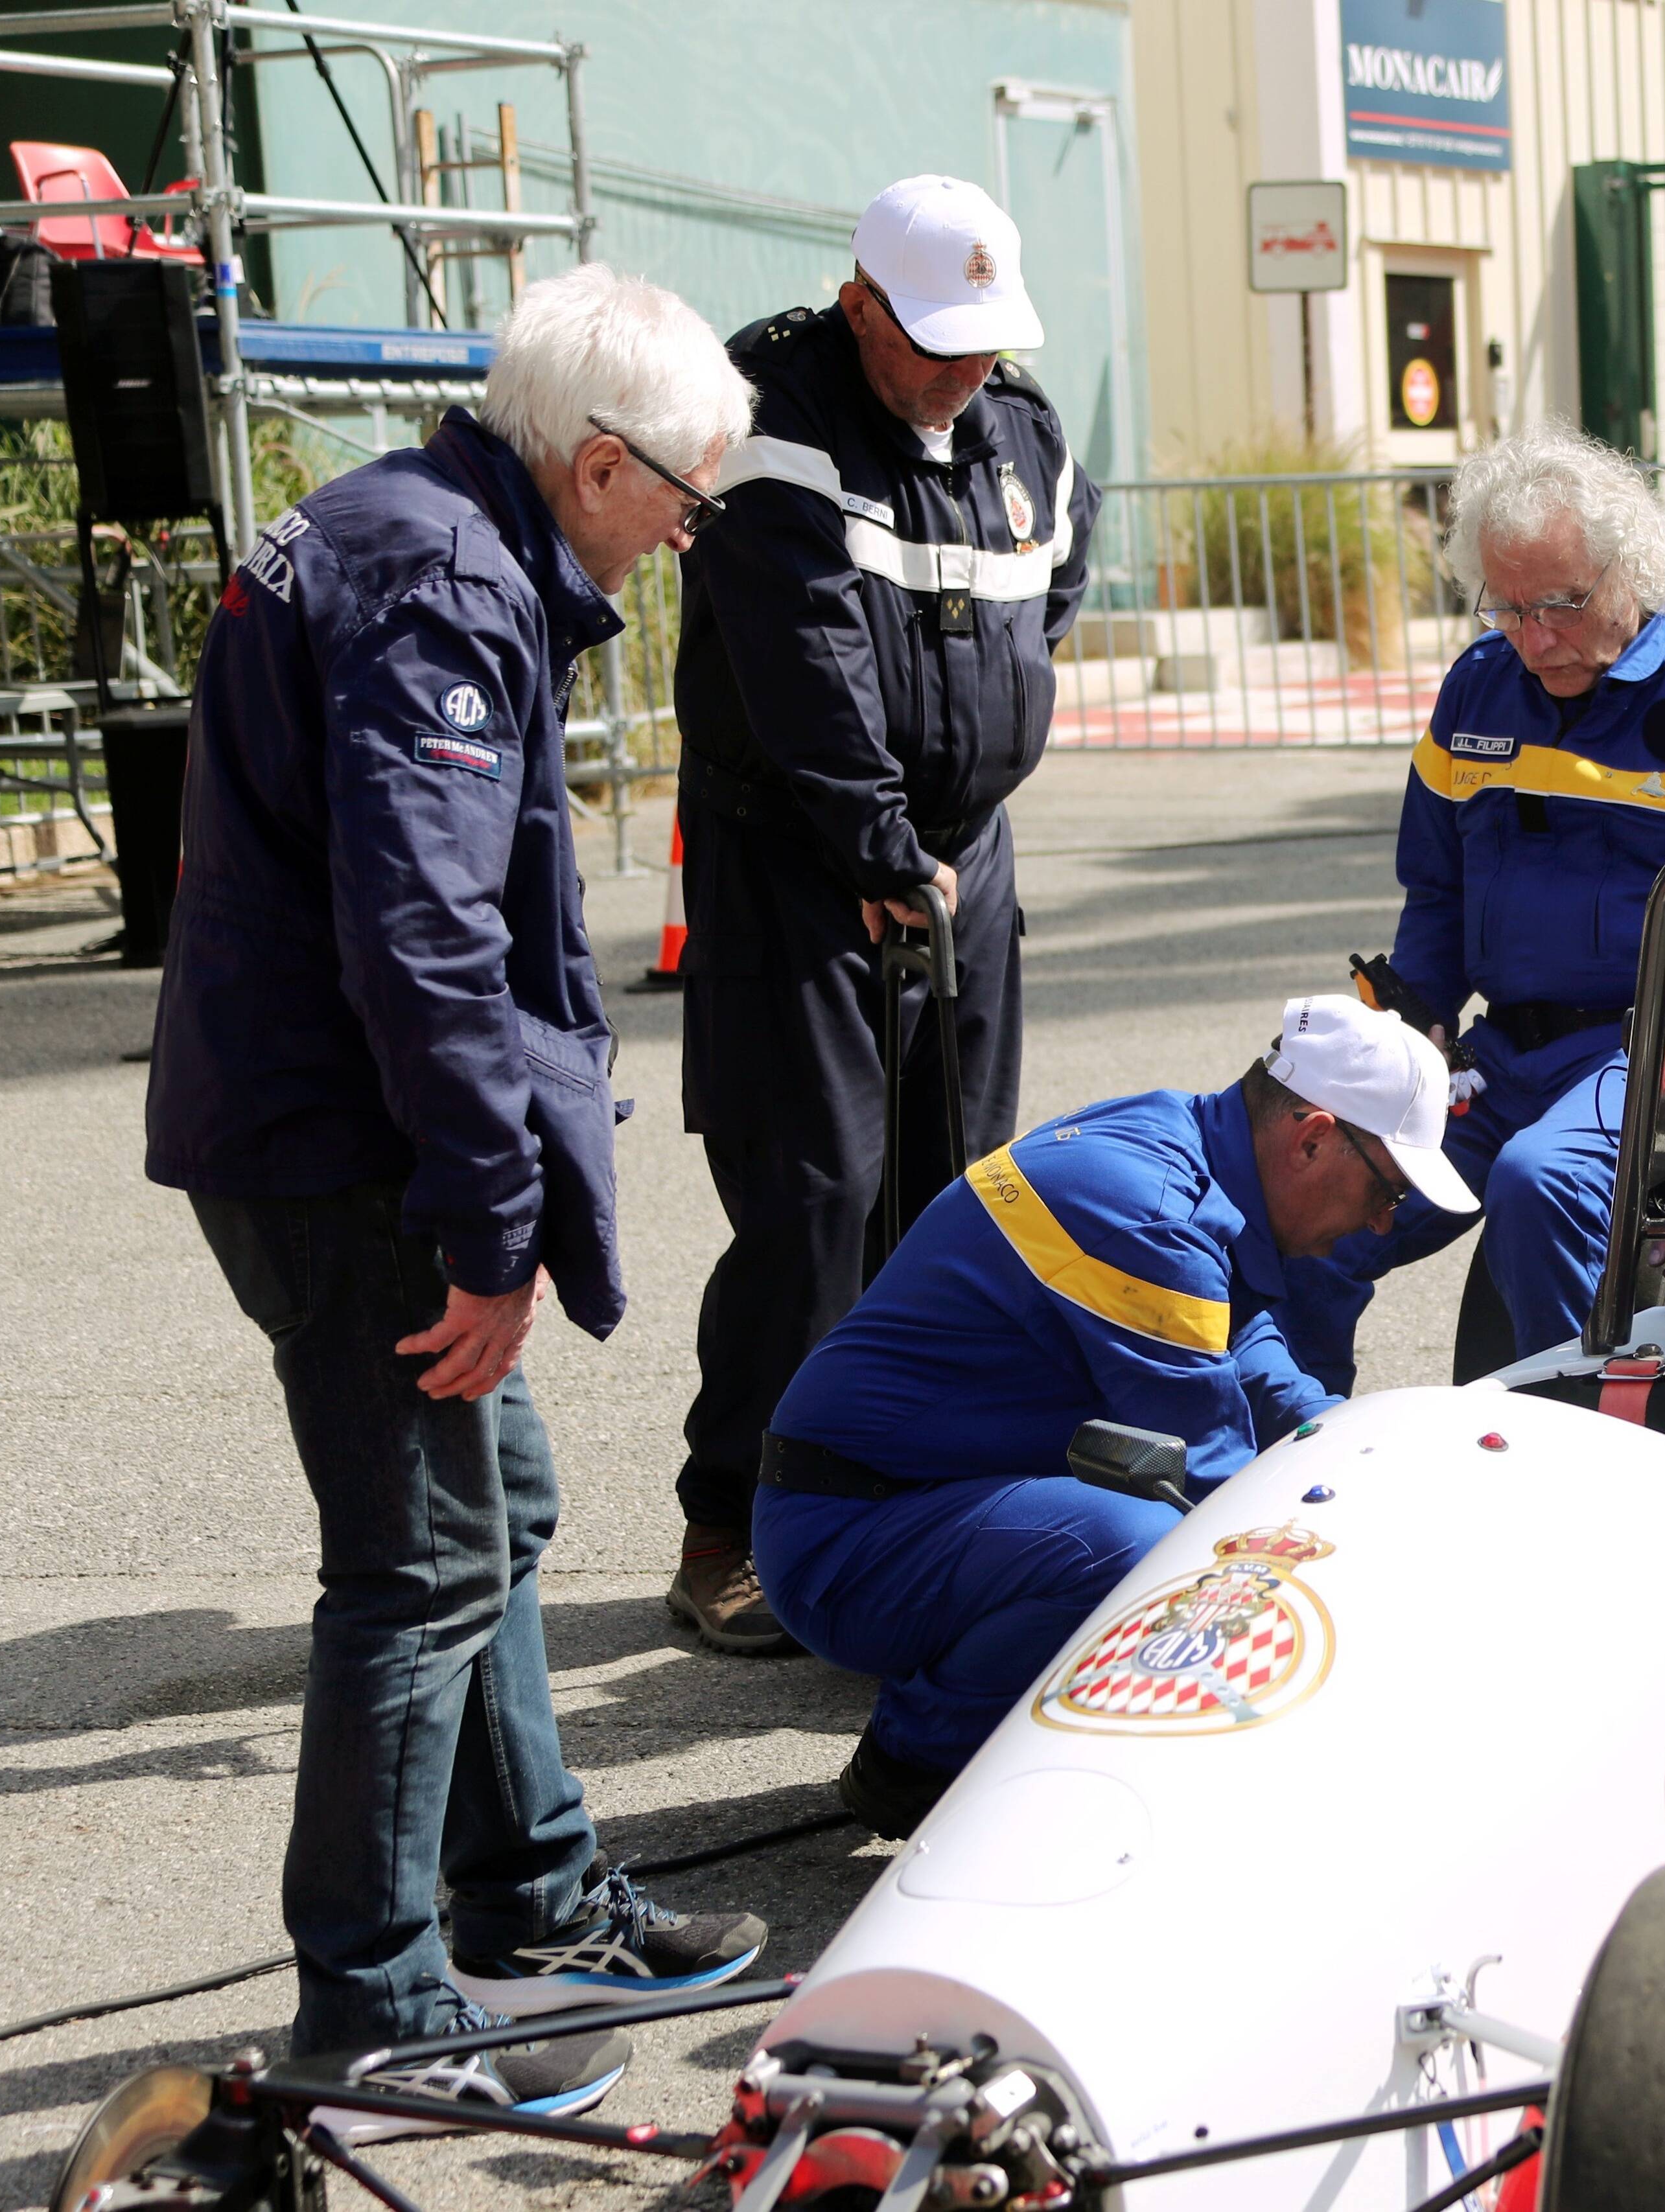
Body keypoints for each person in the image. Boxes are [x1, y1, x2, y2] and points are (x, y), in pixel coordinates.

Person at [145, 265, 767, 2122]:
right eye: (687, 497)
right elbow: (426, 947)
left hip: (327, 1127)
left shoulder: (407, 525)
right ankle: (374, 2007)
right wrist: (495, 1232)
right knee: (417, 1565)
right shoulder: (444, 581)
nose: (685, 537)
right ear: (600, 464)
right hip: (352, 1156)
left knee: (496, 1505)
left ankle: (531, 1893)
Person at [666, 174, 1101, 1656]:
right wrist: (876, 843)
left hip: (961, 861)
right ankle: (733, 1523)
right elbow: (801, 663)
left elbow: (1050, 594)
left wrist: (972, 763)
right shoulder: (771, 416)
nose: (967, 371)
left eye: (988, 342)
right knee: (812, 1203)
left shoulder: (1020, 427)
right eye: (936, 342)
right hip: (796, 857)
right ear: (858, 306)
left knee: (956, 1197)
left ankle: (902, 1500)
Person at [755, 995, 1476, 1837]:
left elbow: (1251, 1357)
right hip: (842, 1539)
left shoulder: (1181, 1139)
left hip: (912, 1497)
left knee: (1153, 1537)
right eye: (1388, 1190)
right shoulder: (1147, 1216)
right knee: (1144, 1548)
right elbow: (1222, 1493)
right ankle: (915, 1763)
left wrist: (1373, 1450)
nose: (1384, 1221)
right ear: (1313, 1137)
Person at [1279, 424, 1665, 1392]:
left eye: (1561, 605)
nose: (1535, 639)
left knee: (1536, 1184)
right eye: (1508, 608)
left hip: (1658, 1059)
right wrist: (1413, 1033)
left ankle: (1581, 1442)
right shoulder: (1478, 687)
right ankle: (1296, 1438)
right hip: (1497, 1059)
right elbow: (1438, 893)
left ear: (1635, 569)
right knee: (1310, 1202)